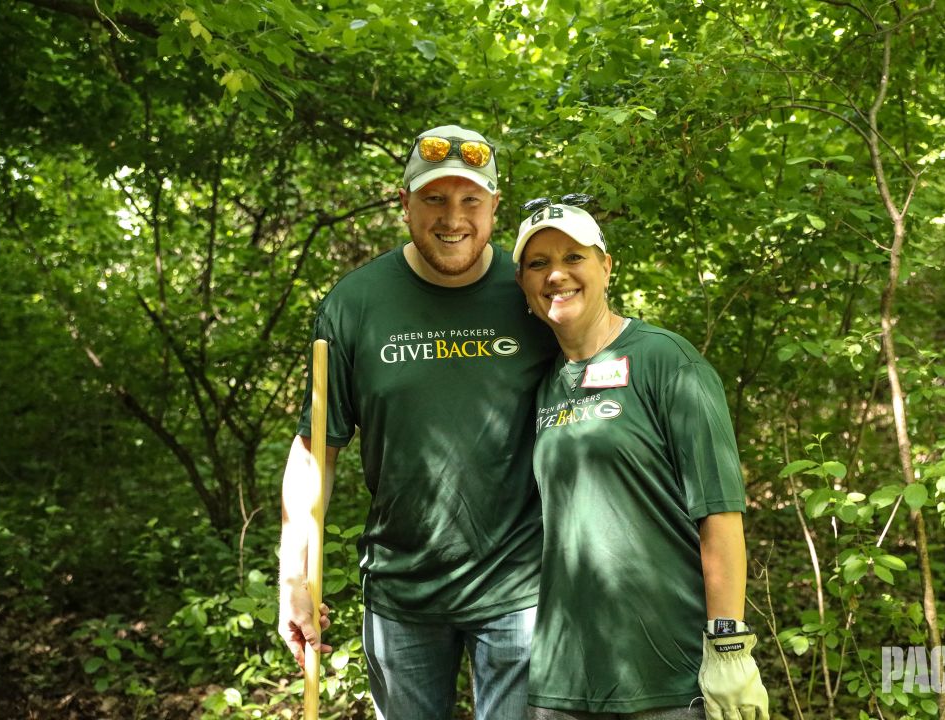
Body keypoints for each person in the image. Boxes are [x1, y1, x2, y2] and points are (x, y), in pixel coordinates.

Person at [276, 124, 557, 720]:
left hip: (518, 591)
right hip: (402, 592)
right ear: (404, 203)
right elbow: (314, 451)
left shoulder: (532, 295)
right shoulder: (354, 305)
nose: (452, 217)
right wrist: (293, 575)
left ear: (495, 208)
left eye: (470, 199)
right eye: (433, 198)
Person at [511, 198, 769, 720]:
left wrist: (729, 647)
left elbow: (719, 512)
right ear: (523, 286)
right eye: (538, 264)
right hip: (563, 678)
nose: (556, 274)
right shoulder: (543, 387)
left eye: (573, 257)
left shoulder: (666, 361)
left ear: (606, 266)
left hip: (666, 679)